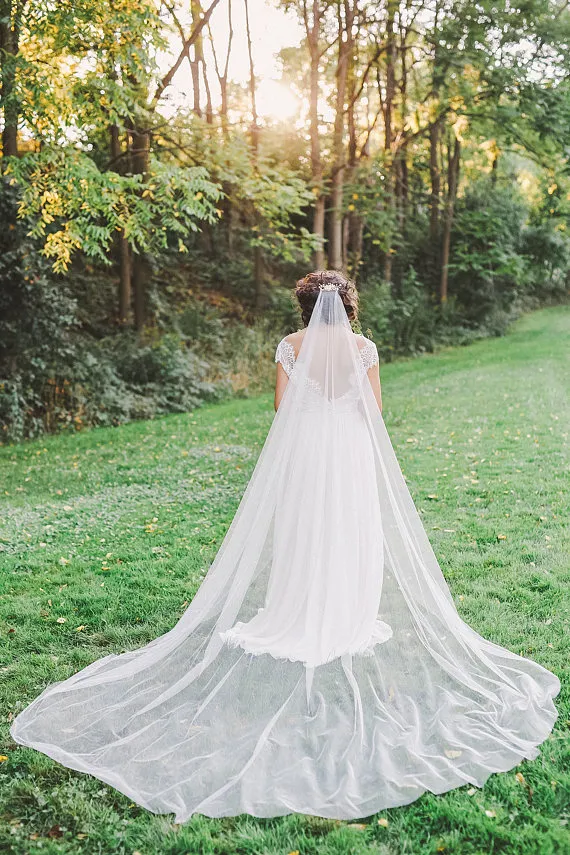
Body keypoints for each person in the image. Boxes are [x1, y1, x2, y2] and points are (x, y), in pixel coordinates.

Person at [11, 270, 560, 823]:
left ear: (304, 306)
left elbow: (281, 407)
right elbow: (374, 413)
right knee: (349, 527)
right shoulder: (365, 349)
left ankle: (296, 606)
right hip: (347, 450)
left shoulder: (289, 347)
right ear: (347, 304)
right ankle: (347, 610)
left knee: (305, 527)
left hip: (307, 452)